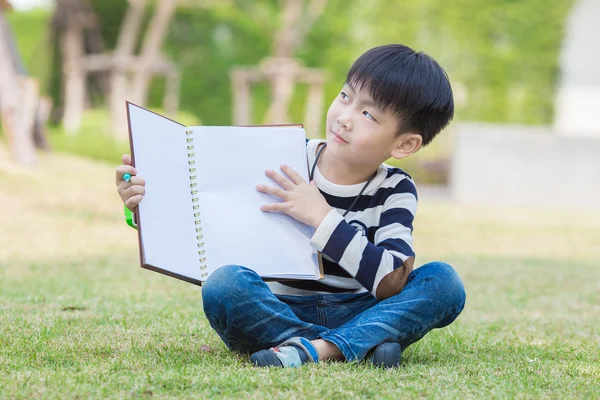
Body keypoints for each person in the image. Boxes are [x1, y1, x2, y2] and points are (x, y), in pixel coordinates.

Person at [115, 44, 466, 369]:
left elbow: (391, 281)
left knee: (443, 282)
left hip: (361, 308)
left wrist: (322, 217)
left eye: (368, 115)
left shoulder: (394, 188)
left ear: (404, 143)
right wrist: (144, 205)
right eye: (345, 96)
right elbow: (214, 217)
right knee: (223, 284)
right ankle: (358, 345)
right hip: (279, 309)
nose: (345, 116)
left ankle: (314, 350)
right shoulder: (286, 155)